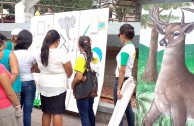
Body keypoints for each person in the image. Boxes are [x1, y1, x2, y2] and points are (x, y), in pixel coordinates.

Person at [35, 29, 73, 126]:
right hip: (58, 86)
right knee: (57, 112)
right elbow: (69, 71)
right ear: (58, 40)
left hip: (44, 85)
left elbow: (37, 68)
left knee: (46, 112)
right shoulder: (61, 53)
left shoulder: (39, 52)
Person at [14, 30, 39, 126]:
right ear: (29, 42)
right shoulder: (31, 55)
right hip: (29, 83)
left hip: (16, 83)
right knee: (27, 112)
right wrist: (32, 68)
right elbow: (37, 69)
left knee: (15, 110)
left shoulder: (13, 54)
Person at [71, 36, 96, 126]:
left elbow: (79, 77)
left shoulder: (81, 58)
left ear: (78, 45)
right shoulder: (93, 57)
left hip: (83, 91)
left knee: (84, 115)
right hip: (92, 89)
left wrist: (72, 84)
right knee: (90, 111)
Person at [114, 24, 135, 126]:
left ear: (123, 35)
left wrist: (118, 88)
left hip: (121, 80)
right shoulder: (132, 47)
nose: (119, 37)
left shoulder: (125, 49)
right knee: (127, 109)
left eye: (119, 34)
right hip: (128, 79)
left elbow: (122, 70)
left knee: (118, 109)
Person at [0, 39, 22, 126]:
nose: (3, 53)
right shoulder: (1, 68)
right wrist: (17, 105)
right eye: (1, 50)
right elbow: (9, 92)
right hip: (3, 107)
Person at [0, 33, 21, 101]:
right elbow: (15, 73)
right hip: (12, 88)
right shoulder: (9, 53)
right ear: (3, 41)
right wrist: (6, 87)